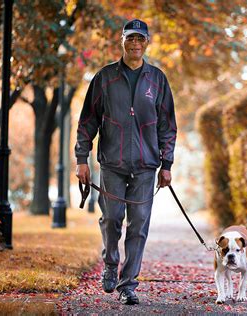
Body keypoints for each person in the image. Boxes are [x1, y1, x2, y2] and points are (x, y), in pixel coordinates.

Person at [75, 18, 177, 305]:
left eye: (140, 39)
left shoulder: (157, 79)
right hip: (112, 163)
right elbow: (88, 120)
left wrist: (166, 164)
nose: (135, 43)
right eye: (130, 38)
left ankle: (128, 285)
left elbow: (167, 126)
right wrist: (81, 158)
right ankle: (110, 264)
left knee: (139, 224)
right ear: (122, 42)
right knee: (111, 220)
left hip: (146, 165)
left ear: (147, 43)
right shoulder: (105, 77)